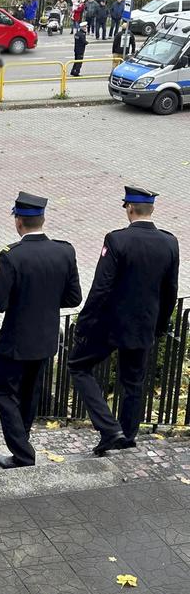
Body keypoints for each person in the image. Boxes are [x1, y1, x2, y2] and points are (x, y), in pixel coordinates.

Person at [70, 187, 179, 455]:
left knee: (78, 366)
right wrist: (160, 326)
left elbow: (101, 287)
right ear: (150, 209)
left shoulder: (117, 240)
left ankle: (109, 428)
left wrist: (84, 322)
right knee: (133, 382)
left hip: (110, 325)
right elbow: (170, 291)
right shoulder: (169, 242)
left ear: (129, 208)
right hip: (144, 325)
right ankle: (128, 436)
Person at [0, 192, 82, 469]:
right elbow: (73, 298)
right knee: (30, 394)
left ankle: (22, 451)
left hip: (15, 341)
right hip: (45, 339)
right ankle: (22, 449)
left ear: (19, 222)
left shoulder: (12, 256)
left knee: (3, 392)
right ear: (42, 219)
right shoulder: (64, 251)